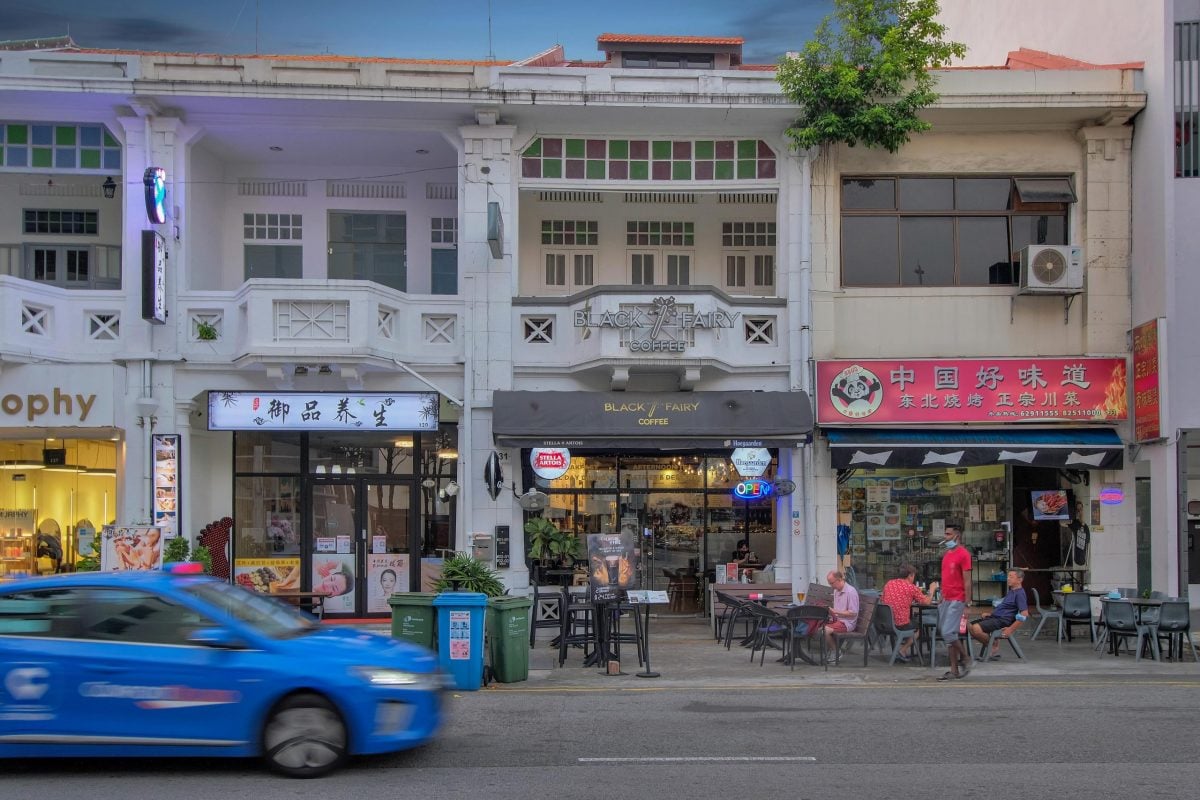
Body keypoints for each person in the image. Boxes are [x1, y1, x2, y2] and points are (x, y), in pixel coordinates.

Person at [937, 522, 973, 681]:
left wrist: (967, 603)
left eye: (948, 534)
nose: (945, 537)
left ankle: (966, 658)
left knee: (947, 632)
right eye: (945, 534)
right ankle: (954, 670)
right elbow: (945, 577)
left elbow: (967, 581)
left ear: (956, 536)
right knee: (949, 635)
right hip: (946, 598)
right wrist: (941, 595)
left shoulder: (963, 554)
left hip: (958, 599)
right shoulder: (947, 554)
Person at [880, 563, 938, 661]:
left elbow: (883, 600)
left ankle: (902, 651)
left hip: (886, 622)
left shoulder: (889, 583)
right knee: (917, 629)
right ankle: (903, 650)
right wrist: (932, 590)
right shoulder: (910, 587)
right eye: (913, 576)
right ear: (910, 575)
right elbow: (927, 602)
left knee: (911, 621)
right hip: (899, 624)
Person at [969, 569, 1030, 659]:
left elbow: (1024, 614)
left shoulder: (1020, 593)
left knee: (976, 628)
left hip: (1003, 621)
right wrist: (990, 614)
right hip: (995, 618)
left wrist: (1010, 629)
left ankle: (993, 644)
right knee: (968, 625)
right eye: (1008, 576)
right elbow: (1005, 607)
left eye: (1011, 577)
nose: (1008, 579)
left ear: (1020, 579)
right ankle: (992, 642)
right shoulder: (1012, 591)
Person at [823, 570, 860, 664]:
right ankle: (833, 650)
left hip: (847, 623)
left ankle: (836, 652)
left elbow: (853, 613)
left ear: (839, 580)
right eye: (829, 583)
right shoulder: (836, 590)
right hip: (838, 620)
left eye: (832, 583)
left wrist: (836, 612)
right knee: (818, 625)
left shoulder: (851, 592)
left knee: (825, 630)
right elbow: (836, 611)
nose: (831, 586)